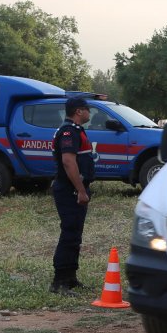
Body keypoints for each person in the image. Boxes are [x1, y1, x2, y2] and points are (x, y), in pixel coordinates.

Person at [50, 97, 95, 294]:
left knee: (75, 234)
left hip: (74, 189)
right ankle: (59, 282)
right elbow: (68, 162)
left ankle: (70, 278)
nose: (89, 113)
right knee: (69, 233)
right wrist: (81, 190)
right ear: (78, 111)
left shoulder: (76, 130)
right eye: (87, 109)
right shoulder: (69, 131)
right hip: (70, 190)